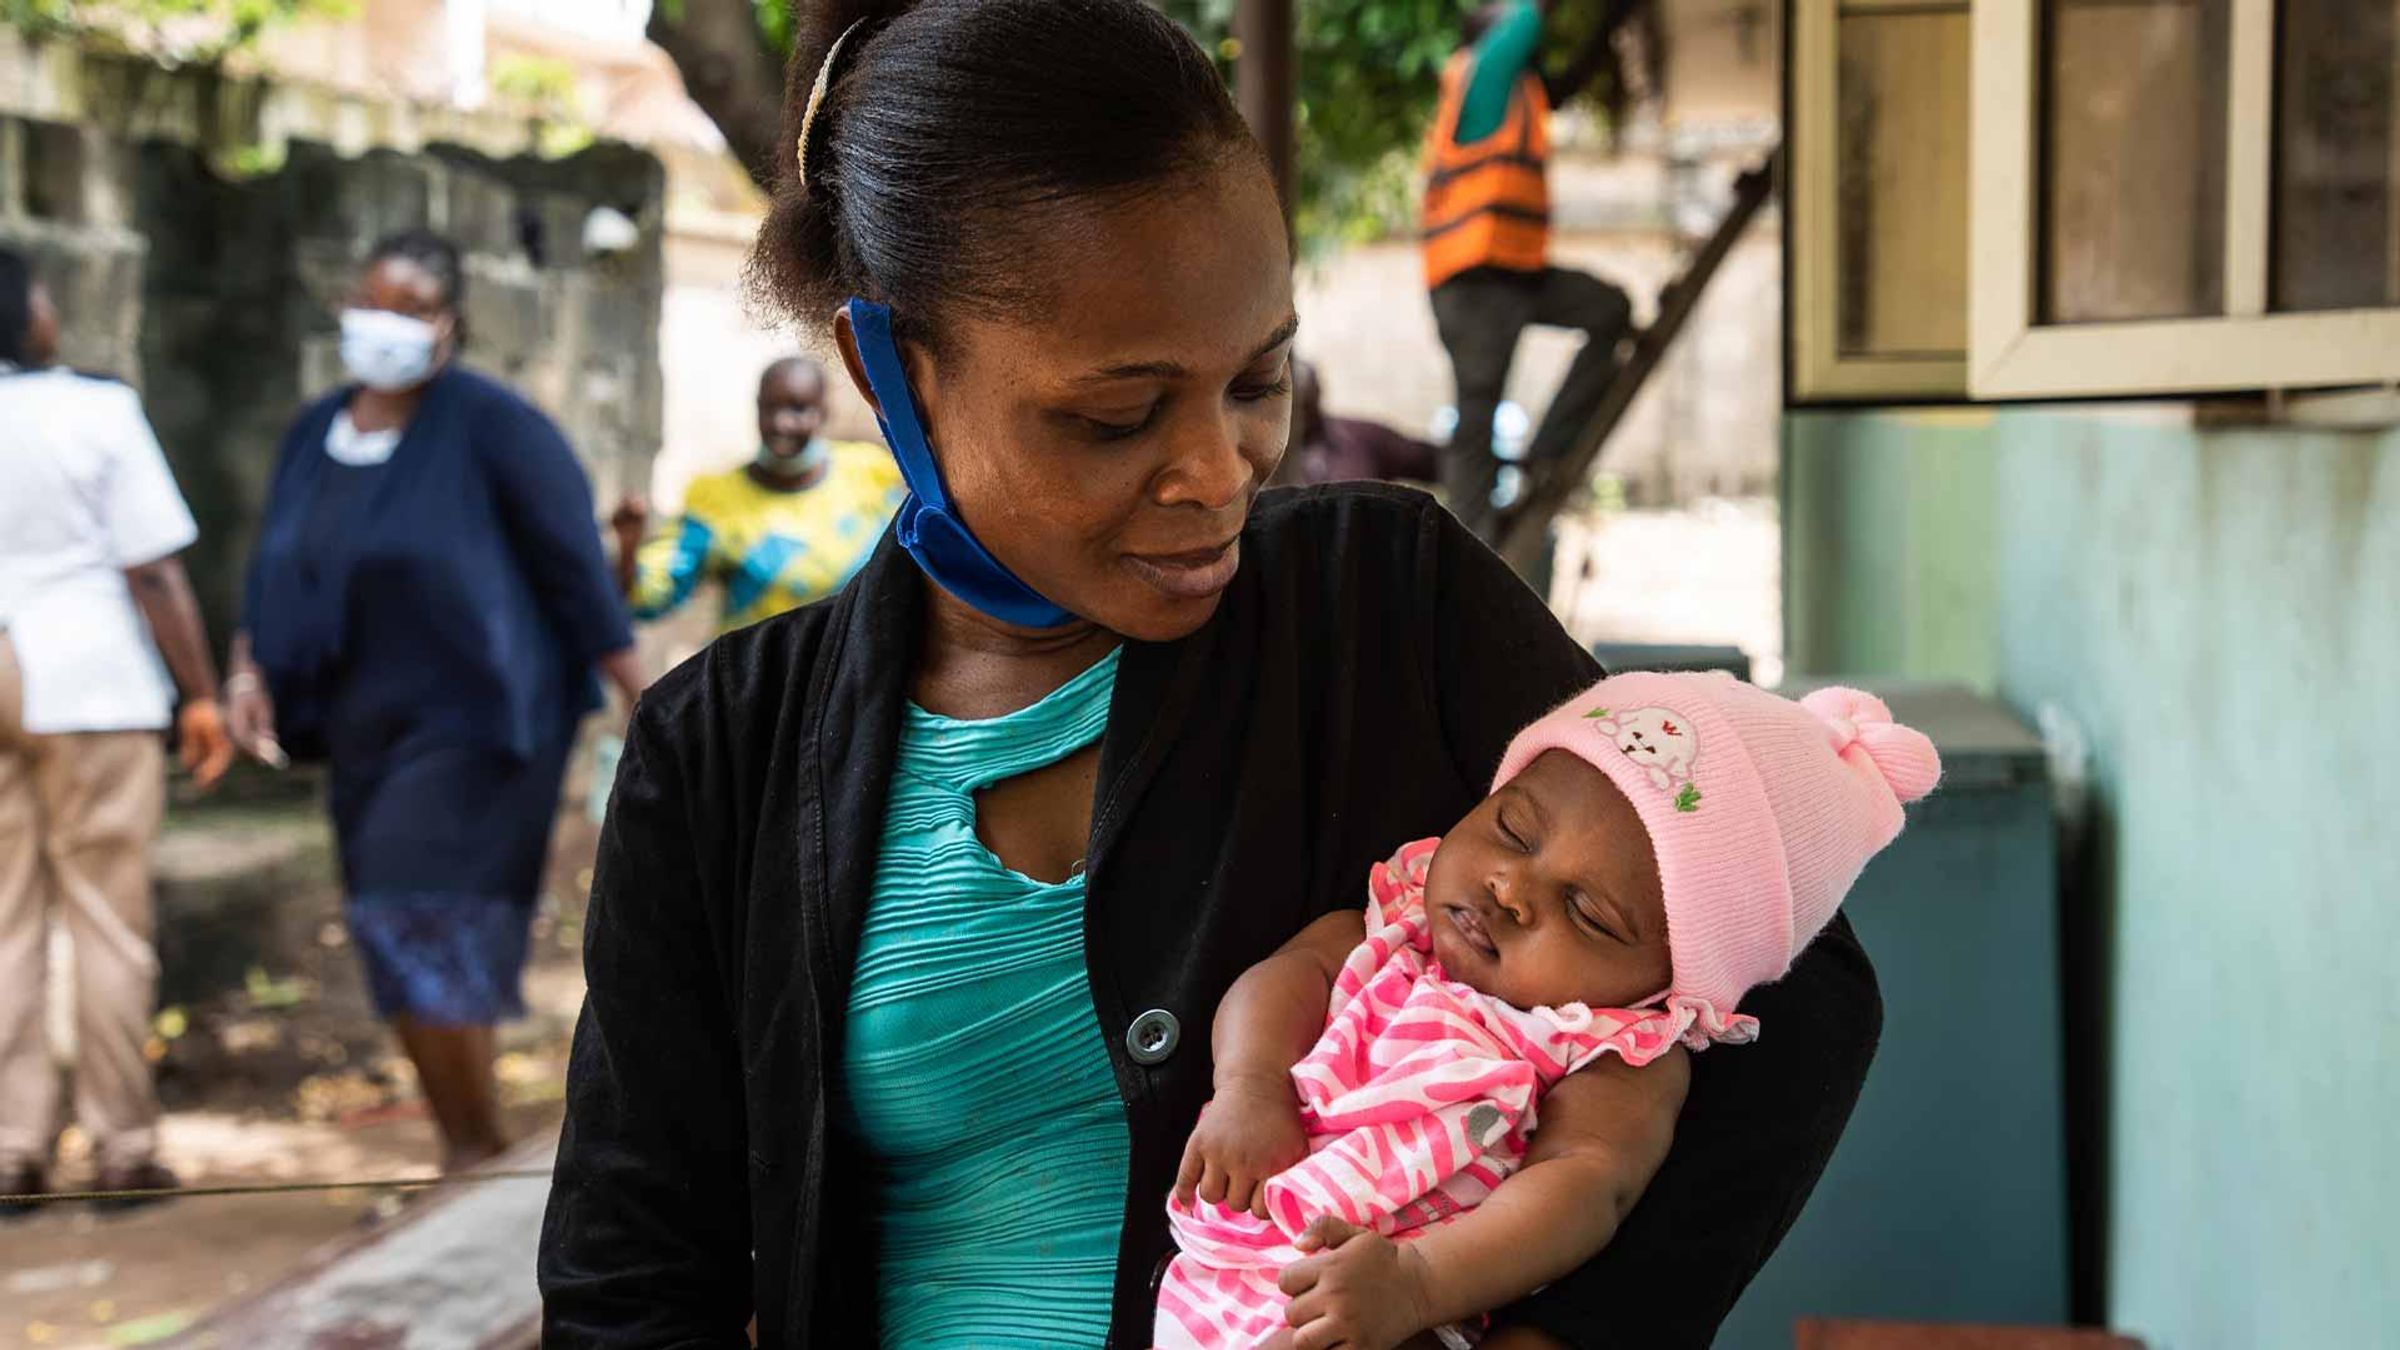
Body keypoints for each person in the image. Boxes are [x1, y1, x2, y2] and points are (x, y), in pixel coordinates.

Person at [539, 3, 1880, 1346]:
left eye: (1258, 381)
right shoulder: (722, 755)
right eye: (1118, 416)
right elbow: (636, 1279)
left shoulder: (1388, 607)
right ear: (888, 369)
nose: (1220, 472)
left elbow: (1794, 991)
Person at [1158, 675, 1940, 1348]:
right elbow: (1281, 979)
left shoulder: (1609, 1048)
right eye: (1513, 829)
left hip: (1391, 1315)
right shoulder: (1393, 927)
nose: (1511, 887)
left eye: (1589, 913)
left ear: (1669, 982)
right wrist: (1250, 1088)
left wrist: (1420, 1284)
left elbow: (1584, 1185)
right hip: (1215, 1276)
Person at [224, 230, 643, 1173]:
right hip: (360, 728)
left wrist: (642, 699)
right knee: (385, 921)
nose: (387, 325)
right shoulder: (314, 432)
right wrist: (246, 673)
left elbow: (575, 572)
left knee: (431, 915)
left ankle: (473, 1151)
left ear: (450, 323)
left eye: (412, 309)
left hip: (486, 722)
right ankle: (470, 1144)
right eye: (375, 301)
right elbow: (271, 572)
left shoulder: (495, 427)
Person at [0, 247, 233, 1208]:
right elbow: (153, 571)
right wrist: (203, 693)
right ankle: (122, 1145)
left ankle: (10, 1147)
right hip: (89, 684)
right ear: (29, 314)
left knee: (4, 923)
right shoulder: (93, 410)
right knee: (105, 920)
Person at [1423, 0, 1638, 542]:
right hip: (1473, 279)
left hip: (1516, 274)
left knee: (1609, 309)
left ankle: (1545, 453)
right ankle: (1476, 543)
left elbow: (1573, 75)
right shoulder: (1483, 69)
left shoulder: (1522, 91)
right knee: (1478, 417)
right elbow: (1530, 15)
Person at [609, 356, 904, 633]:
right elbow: (649, 599)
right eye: (770, 408)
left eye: (798, 408)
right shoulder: (716, 498)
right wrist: (628, 547)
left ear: (823, 412)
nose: (781, 423)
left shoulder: (871, 474)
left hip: (860, 677)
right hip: (759, 682)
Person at [1290, 359, 1439, 487]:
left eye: (1305, 406)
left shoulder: (1360, 437)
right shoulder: (1272, 461)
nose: (1300, 417)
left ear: (1318, 393)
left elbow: (1439, 463)